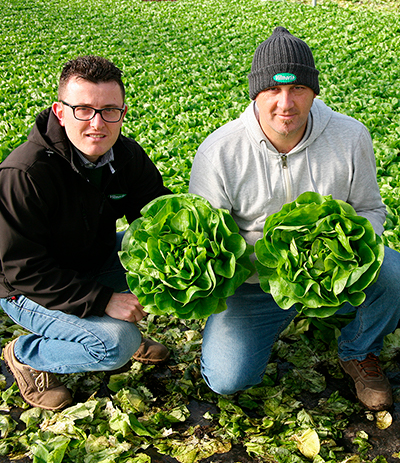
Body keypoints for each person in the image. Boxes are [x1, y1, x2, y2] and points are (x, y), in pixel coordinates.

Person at [189, 27, 400, 411]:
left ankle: (357, 350)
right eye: (272, 90)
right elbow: (207, 245)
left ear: (314, 92)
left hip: (333, 277)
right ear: (255, 93)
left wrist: (348, 249)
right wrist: (273, 263)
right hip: (254, 284)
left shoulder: (350, 137)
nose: (285, 103)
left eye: (298, 89)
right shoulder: (219, 152)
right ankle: (265, 324)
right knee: (227, 379)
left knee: (394, 275)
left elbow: (371, 209)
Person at [0, 55, 172, 411]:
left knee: (159, 259)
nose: (97, 124)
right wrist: (102, 301)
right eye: (83, 110)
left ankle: (101, 324)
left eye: (110, 110)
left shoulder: (126, 157)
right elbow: (23, 268)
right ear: (60, 112)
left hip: (91, 259)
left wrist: (194, 259)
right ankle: (27, 355)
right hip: (25, 289)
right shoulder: (25, 173)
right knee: (115, 345)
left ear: (122, 113)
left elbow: (159, 215)